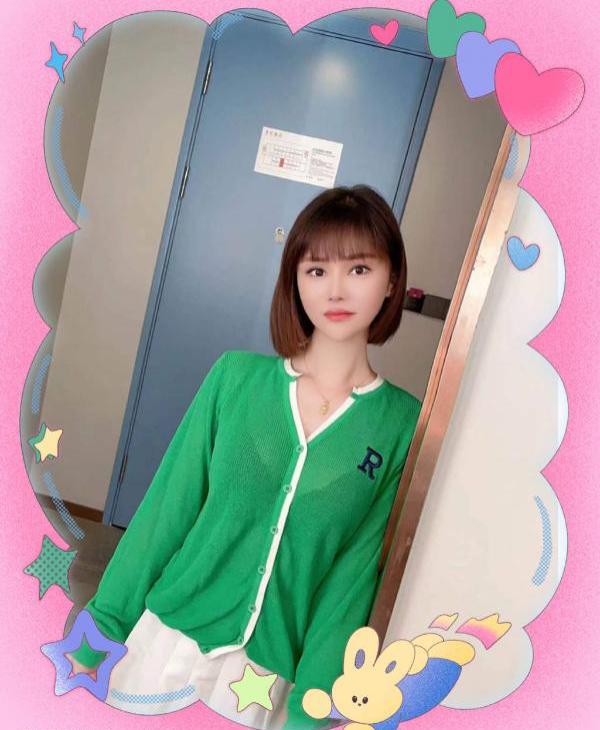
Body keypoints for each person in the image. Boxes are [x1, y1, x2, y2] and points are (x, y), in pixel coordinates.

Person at [67, 184, 422, 729]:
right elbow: (166, 514)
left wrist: (313, 709)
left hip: (261, 685)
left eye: (358, 268)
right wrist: (100, 630)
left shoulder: (399, 424)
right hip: (167, 645)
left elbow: (349, 582)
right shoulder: (234, 379)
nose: (335, 289)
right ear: (294, 280)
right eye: (316, 269)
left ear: (392, 279)